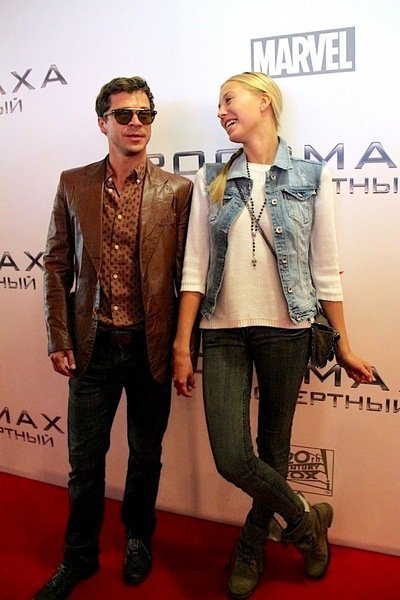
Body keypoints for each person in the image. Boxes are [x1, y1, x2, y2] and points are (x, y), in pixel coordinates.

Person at [172, 71, 374, 599]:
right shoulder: (211, 179)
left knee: (274, 447)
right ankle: (307, 520)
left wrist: (344, 343)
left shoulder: (311, 175)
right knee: (232, 457)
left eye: (229, 99)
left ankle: (252, 542)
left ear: (264, 101)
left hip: (289, 329)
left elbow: (325, 268)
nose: (221, 111)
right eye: (218, 104)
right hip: (222, 331)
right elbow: (194, 267)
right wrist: (181, 344)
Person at [35, 76, 193, 600]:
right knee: (85, 464)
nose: (136, 124)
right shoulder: (73, 183)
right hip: (92, 347)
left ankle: (138, 540)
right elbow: (56, 265)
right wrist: (59, 335)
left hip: (151, 348)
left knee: (146, 456)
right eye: (124, 115)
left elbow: (188, 278)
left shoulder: (177, 191)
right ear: (103, 122)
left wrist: (184, 349)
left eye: (145, 115)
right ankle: (78, 555)